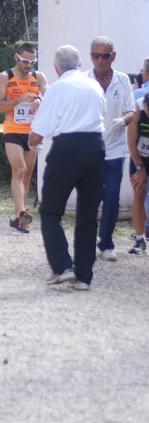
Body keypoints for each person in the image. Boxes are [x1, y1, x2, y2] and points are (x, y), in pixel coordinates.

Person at [29, 45, 105, 291]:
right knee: (88, 214)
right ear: (81, 65)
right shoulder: (94, 85)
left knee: (50, 210)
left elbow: (38, 132)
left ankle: (63, 266)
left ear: (56, 68)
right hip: (95, 147)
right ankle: (84, 277)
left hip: (67, 147)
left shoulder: (57, 88)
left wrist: (32, 143)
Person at [85, 36, 135, 261]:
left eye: (104, 56)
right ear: (90, 56)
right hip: (89, 148)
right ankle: (85, 242)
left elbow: (131, 110)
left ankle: (106, 243)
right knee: (91, 197)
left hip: (114, 149)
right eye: (95, 55)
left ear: (113, 56)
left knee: (112, 197)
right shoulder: (84, 79)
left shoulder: (122, 80)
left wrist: (123, 121)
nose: (100, 60)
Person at [0, 42, 47, 233]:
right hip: (13, 131)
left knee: (27, 174)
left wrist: (39, 100)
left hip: (33, 132)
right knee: (19, 169)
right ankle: (22, 212)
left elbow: (49, 100)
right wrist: (18, 99)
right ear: (16, 57)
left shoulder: (39, 76)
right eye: (25, 61)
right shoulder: (4, 77)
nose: (29, 65)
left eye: (33, 61)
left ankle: (19, 216)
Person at [127, 92, 149, 254]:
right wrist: (140, 168)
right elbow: (131, 141)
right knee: (139, 192)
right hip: (140, 156)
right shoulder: (137, 108)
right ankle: (139, 240)